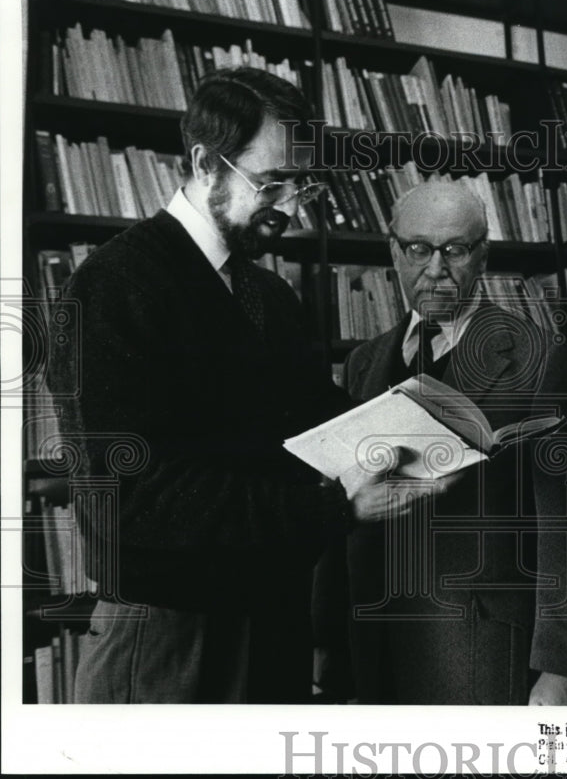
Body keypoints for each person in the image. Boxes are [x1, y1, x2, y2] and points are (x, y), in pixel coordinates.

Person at [48, 67, 448, 703]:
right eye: (272, 184)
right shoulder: (112, 286)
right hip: (170, 634)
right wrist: (338, 507)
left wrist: (420, 433)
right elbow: (135, 502)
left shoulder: (268, 294)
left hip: (271, 621)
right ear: (206, 162)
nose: (290, 207)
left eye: (302, 186)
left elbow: (312, 425)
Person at [320, 180, 567, 705]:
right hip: (372, 638)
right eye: (418, 248)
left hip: (480, 644)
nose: (436, 267)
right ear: (394, 252)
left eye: (456, 249)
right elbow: (341, 505)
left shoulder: (540, 360)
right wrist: (325, 638)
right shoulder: (361, 363)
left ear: (483, 255)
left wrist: (559, 667)